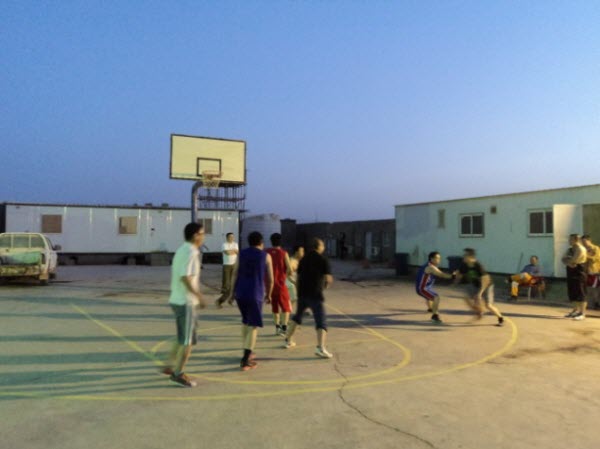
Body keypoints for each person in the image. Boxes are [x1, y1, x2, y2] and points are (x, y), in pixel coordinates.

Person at [163, 222, 207, 387]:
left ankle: (169, 364)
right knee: (188, 341)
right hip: (185, 302)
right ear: (195, 235)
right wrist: (199, 296)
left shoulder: (182, 249)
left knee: (182, 337)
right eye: (202, 233)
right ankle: (178, 374)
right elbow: (185, 277)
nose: (204, 237)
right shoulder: (190, 252)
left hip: (177, 300)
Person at [284, 238, 334, 358]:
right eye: (323, 245)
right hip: (315, 294)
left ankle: (288, 340)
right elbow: (328, 279)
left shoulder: (303, 259)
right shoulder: (323, 260)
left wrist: (298, 292)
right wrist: (325, 285)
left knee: (297, 317)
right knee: (321, 320)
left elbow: (298, 277)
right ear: (319, 246)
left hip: (302, 294)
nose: (324, 247)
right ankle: (320, 348)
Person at [232, 231, 274, 371]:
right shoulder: (266, 256)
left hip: (240, 292)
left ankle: (247, 350)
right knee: (253, 325)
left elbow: (234, 273)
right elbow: (271, 279)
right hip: (255, 293)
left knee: (245, 321)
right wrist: (269, 294)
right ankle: (245, 359)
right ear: (261, 242)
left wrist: (231, 292)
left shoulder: (241, 254)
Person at [455, 248, 504, 327]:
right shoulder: (464, 265)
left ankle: (500, 318)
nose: (463, 256)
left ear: (470, 257)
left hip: (487, 285)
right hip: (475, 285)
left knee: (488, 305)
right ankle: (480, 312)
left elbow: (485, 280)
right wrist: (454, 280)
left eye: (465, 255)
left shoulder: (478, 265)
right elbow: (459, 274)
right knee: (467, 298)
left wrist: (480, 293)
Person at [415, 251, 455, 323]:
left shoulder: (428, 265)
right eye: (437, 258)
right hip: (422, 289)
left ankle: (430, 308)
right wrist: (453, 276)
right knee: (436, 297)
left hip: (425, 287)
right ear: (431, 259)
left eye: (439, 258)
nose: (439, 260)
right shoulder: (431, 267)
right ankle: (435, 316)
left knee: (429, 296)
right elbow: (442, 275)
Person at [265, 233, 293, 336]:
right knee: (286, 307)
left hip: (269, 285)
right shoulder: (283, 253)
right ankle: (284, 327)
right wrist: (285, 274)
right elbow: (290, 269)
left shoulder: (266, 252)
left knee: (274, 307)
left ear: (271, 241)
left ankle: (277, 327)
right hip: (280, 284)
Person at [562, 234, 588, 320]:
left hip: (579, 271)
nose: (569, 241)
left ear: (576, 240)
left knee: (580, 291)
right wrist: (568, 262)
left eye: (571, 239)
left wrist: (568, 261)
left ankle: (582, 313)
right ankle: (575, 310)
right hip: (571, 271)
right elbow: (563, 258)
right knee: (573, 291)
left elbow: (574, 260)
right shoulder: (570, 249)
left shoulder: (581, 249)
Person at [215, 232, 239, 308]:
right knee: (227, 283)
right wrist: (233, 251)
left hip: (234, 265)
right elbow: (227, 253)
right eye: (230, 237)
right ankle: (222, 299)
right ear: (227, 237)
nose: (232, 238)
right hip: (226, 265)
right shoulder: (224, 244)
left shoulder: (235, 244)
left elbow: (237, 252)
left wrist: (232, 251)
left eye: (233, 237)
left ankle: (229, 300)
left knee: (234, 284)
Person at [582, 234, 600, 309]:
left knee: (595, 288)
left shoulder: (596, 248)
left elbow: (595, 258)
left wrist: (585, 256)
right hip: (586, 272)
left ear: (589, 241)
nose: (584, 243)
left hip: (594, 271)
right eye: (582, 242)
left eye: (585, 241)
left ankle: (597, 303)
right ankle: (591, 304)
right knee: (588, 288)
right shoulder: (584, 249)